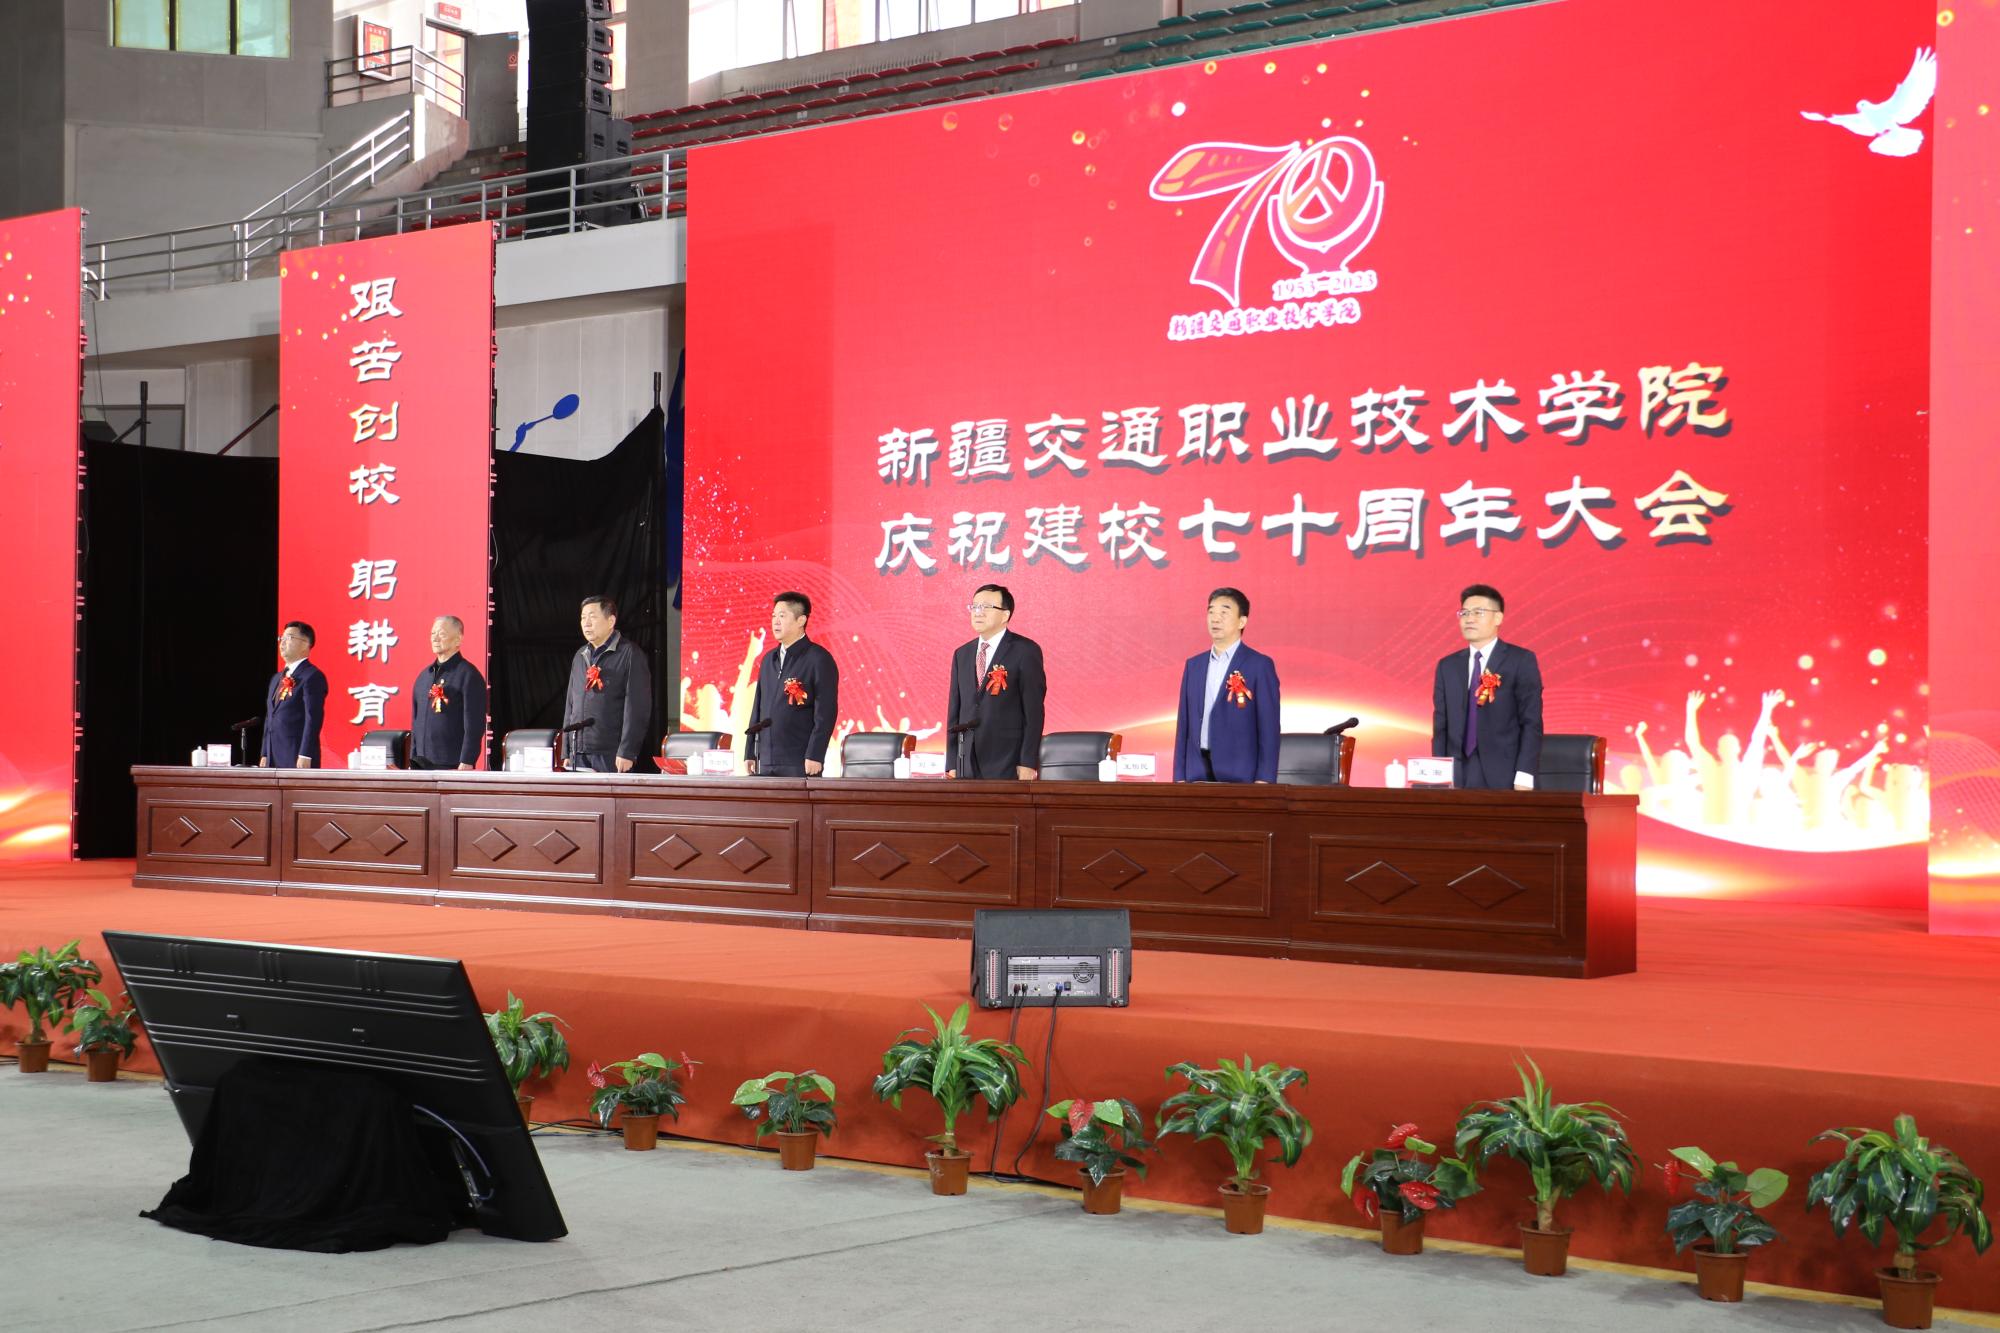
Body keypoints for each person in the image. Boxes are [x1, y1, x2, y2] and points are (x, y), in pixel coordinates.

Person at [1430, 584, 1543, 791]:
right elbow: (1441, 726)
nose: (1469, 619)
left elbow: (1531, 723)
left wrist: (1525, 775)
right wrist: (1438, 775)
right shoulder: (1447, 666)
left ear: (1498, 618)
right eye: (1464, 613)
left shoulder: (1520, 660)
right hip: (1456, 774)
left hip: (1505, 775)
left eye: (1478, 612)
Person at [1172, 587, 1281, 783]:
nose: (1215, 619)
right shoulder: (1194, 665)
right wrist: (1179, 776)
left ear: (1242, 621)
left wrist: (1264, 779)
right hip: (1196, 774)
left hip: (1241, 776)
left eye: (1224, 612)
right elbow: (1184, 725)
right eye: (1211, 612)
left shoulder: (1259, 665)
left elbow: (1269, 727)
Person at [945, 583, 1046, 780]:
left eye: (986, 607)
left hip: (1007, 759)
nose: (978, 612)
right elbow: (954, 711)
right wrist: (952, 761)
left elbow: (1034, 713)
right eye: (974, 607)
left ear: (1005, 615)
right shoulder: (962, 654)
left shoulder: (1025, 651)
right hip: (966, 760)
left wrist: (1027, 762)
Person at [744, 591, 838, 777]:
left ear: (801, 620)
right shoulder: (768, 659)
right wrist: (750, 752)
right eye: (773, 616)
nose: (775, 621)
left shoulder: (818, 659)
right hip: (766, 759)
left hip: (800, 761)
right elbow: (758, 708)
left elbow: (826, 713)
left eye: (782, 616)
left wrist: (815, 754)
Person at [561, 593, 651, 772]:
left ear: (611, 621)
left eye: (592, 617)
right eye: (583, 618)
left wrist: (627, 751)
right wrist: (566, 751)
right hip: (578, 753)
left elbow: (637, 707)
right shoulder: (580, 656)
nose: (586, 623)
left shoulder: (629, 654)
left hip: (611, 753)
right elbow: (570, 704)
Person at [410, 615, 488, 770]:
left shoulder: (468, 675)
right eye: (433, 634)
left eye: (442, 634)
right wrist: (412, 756)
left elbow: (475, 724)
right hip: (420, 763)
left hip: (453, 763)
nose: (435, 638)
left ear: (458, 640)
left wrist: (467, 760)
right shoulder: (424, 677)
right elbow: (415, 721)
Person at [260, 621, 327, 769]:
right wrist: (265, 753)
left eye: (288, 638)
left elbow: (313, 719)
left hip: (296, 755)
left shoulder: (312, 676)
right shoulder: (276, 679)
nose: (282, 642)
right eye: (281, 638)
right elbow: (270, 717)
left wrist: (305, 754)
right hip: (272, 756)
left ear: (305, 644)